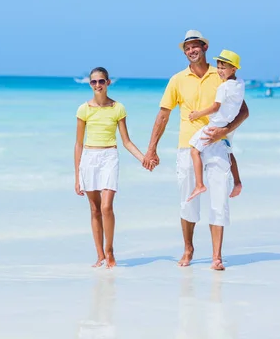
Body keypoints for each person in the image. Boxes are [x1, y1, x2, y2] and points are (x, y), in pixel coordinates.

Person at [142, 30, 249, 270]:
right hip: (187, 146)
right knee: (187, 201)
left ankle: (216, 256)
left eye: (195, 46)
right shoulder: (177, 80)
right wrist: (151, 149)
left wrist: (225, 130)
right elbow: (163, 114)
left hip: (218, 145)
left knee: (219, 199)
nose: (192, 50)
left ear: (204, 48)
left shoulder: (221, 74)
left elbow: (244, 110)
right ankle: (188, 248)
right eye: (187, 48)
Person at [74, 67, 147, 269]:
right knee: (94, 209)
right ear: (90, 84)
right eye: (94, 82)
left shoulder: (118, 108)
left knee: (106, 207)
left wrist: (143, 158)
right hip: (89, 158)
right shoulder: (83, 109)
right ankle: (100, 256)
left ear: (108, 83)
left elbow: (126, 141)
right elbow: (78, 144)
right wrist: (77, 176)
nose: (98, 85)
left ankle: (110, 250)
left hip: (109, 156)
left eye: (101, 81)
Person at [187, 50, 245, 201]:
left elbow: (215, 107)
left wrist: (197, 114)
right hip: (229, 124)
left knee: (194, 150)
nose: (219, 70)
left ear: (233, 69)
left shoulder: (223, 88)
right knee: (229, 151)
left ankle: (199, 184)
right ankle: (237, 182)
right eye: (218, 66)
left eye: (223, 67)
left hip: (215, 125)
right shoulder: (240, 84)